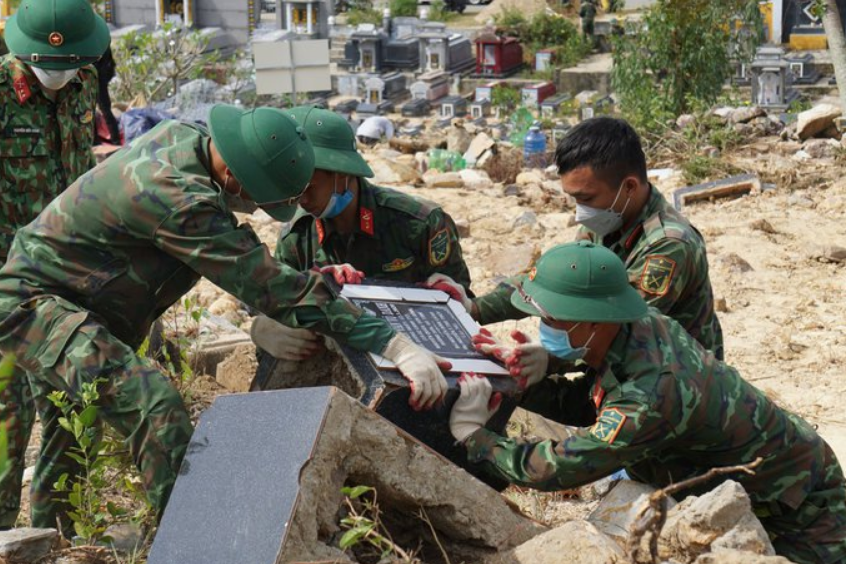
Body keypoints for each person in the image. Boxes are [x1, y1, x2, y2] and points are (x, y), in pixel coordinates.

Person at [0, 104, 450, 534]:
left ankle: (49, 544)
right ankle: (194, 545)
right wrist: (392, 344)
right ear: (233, 174)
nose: (254, 209)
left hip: (77, 304)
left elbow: (253, 262)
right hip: (34, 304)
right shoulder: (177, 198)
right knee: (153, 406)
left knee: (70, 429)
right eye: (256, 198)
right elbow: (265, 284)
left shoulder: (190, 142)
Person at [448, 242, 846, 564]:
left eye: (553, 320)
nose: (543, 327)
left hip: (798, 506)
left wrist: (476, 438)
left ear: (594, 320)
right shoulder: (636, 323)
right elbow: (592, 400)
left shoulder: (650, 394)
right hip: (754, 477)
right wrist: (532, 376)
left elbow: (562, 467)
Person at [435, 117, 723, 390]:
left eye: (585, 198)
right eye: (574, 198)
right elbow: (555, 284)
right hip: (626, 369)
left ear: (629, 187)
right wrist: (476, 308)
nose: (580, 211)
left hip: (679, 385)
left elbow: (619, 328)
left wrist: (550, 358)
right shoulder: (607, 218)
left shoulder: (668, 245)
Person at [0, 0, 110, 530]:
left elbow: (82, 168)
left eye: (70, 67)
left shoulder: (84, 82)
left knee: (69, 406)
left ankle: (53, 534)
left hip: (66, 273)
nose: (60, 77)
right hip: (5, 280)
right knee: (7, 417)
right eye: (49, 67)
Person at [252, 106, 471, 365]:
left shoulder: (419, 223)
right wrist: (261, 328)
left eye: (309, 187)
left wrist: (457, 301)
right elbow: (280, 304)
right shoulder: (297, 236)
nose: (301, 200)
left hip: (418, 356)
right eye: (294, 188)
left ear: (343, 174)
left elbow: (464, 312)